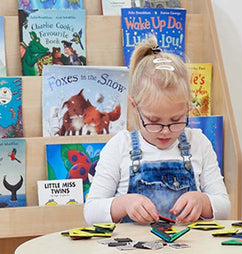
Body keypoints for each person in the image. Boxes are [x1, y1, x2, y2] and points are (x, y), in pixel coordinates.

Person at [84, 37, 230, 225]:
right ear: (134, 107)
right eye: (154, 121)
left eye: (176, 120)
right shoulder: (120, 146)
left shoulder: (199, 143)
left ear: (187, 107)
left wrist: (202, 202)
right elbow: (91, 212)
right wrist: (124, 204)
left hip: (189, 251)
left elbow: (225, 208)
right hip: (133, 252)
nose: (165, 131)